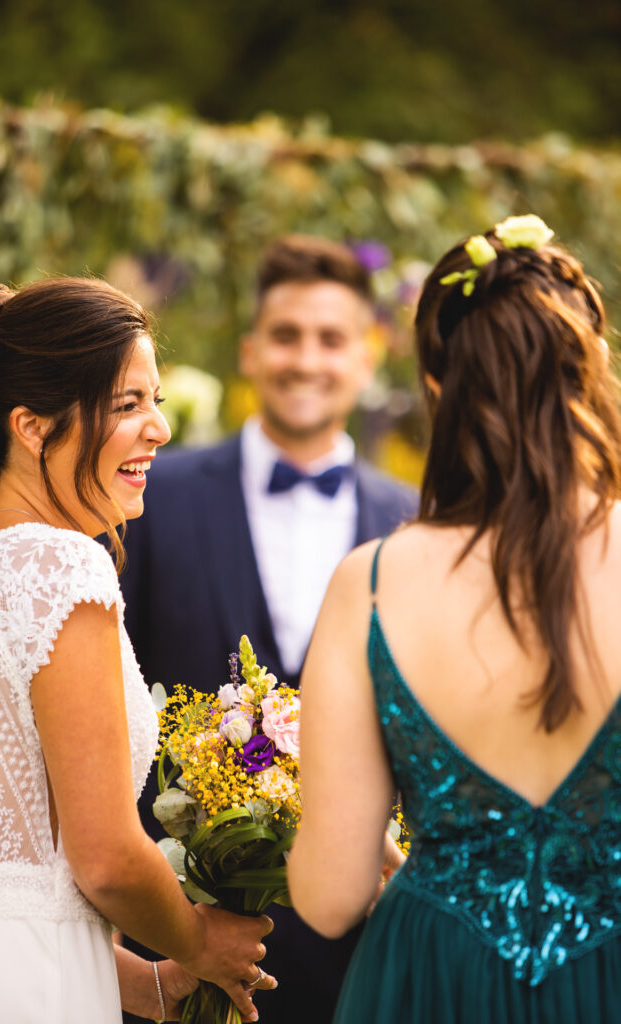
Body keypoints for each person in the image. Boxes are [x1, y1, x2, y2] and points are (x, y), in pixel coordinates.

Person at [288, 215, 621, 1023]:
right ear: (587, 372)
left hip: (432, 980)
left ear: (438, 386)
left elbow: (330, 899)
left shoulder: (371, 583)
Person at [0, 277, 276, 1024]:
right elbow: (105, 858)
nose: (158, 427)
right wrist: (197, 941)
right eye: (127, 405)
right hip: (34, 989)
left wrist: (143, 983)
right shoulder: (58, 566)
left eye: (155, 400)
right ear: (32, 427)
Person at [119, 235, 417, 1024]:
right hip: (177, 936)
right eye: (285, 336)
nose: (305, 360)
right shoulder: (153, 498)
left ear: (367, 357)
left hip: (357, 945)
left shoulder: (417, 523)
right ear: (250, 352)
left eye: (331, 339)